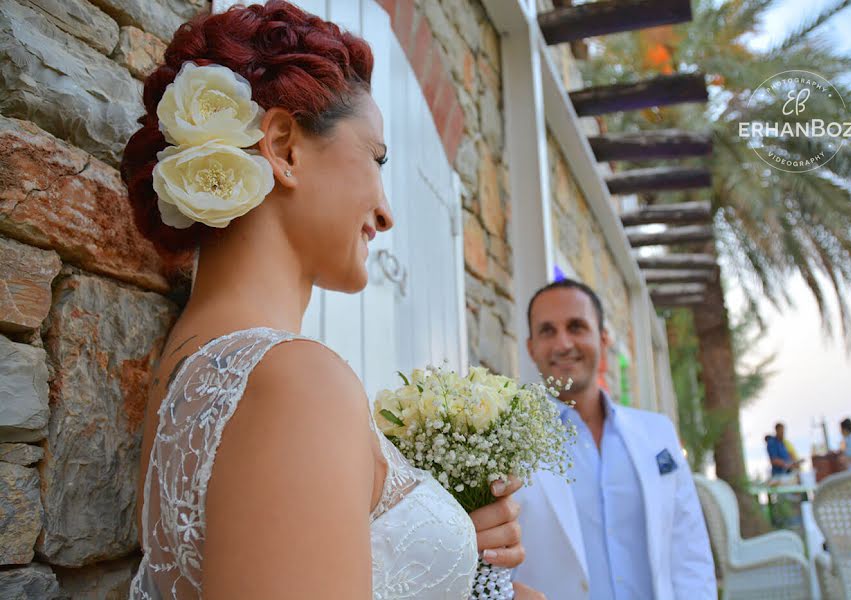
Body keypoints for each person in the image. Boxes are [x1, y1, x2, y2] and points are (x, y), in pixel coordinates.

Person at [120, 3, 540, 598]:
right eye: (377, 157)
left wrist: (447, 566)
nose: (387, 212)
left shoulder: (195, 374)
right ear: (285, 147)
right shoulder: (294, 382)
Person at [512, 279, 716, 600]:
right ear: (531, 348)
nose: (563, 343)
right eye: (547, 331)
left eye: (576, 327)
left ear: (603, 339)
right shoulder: (508, 444)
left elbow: (688, 550)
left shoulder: (658, 433)